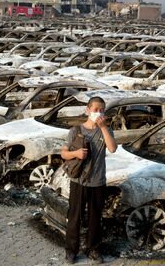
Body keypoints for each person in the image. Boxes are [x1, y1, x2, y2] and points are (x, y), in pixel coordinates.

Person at [61, 96, 117, 264]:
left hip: (98, 182)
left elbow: (113, 148)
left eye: (101, 110)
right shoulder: (76, 130)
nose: (98, 112)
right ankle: (71, 251)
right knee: (74, 217)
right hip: (79, 182)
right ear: (87, 110)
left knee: (95, 218)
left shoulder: (106, 129)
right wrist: (75, 154)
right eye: (95, 109)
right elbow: (63, 153)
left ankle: (93, 248)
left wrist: (103, 127)